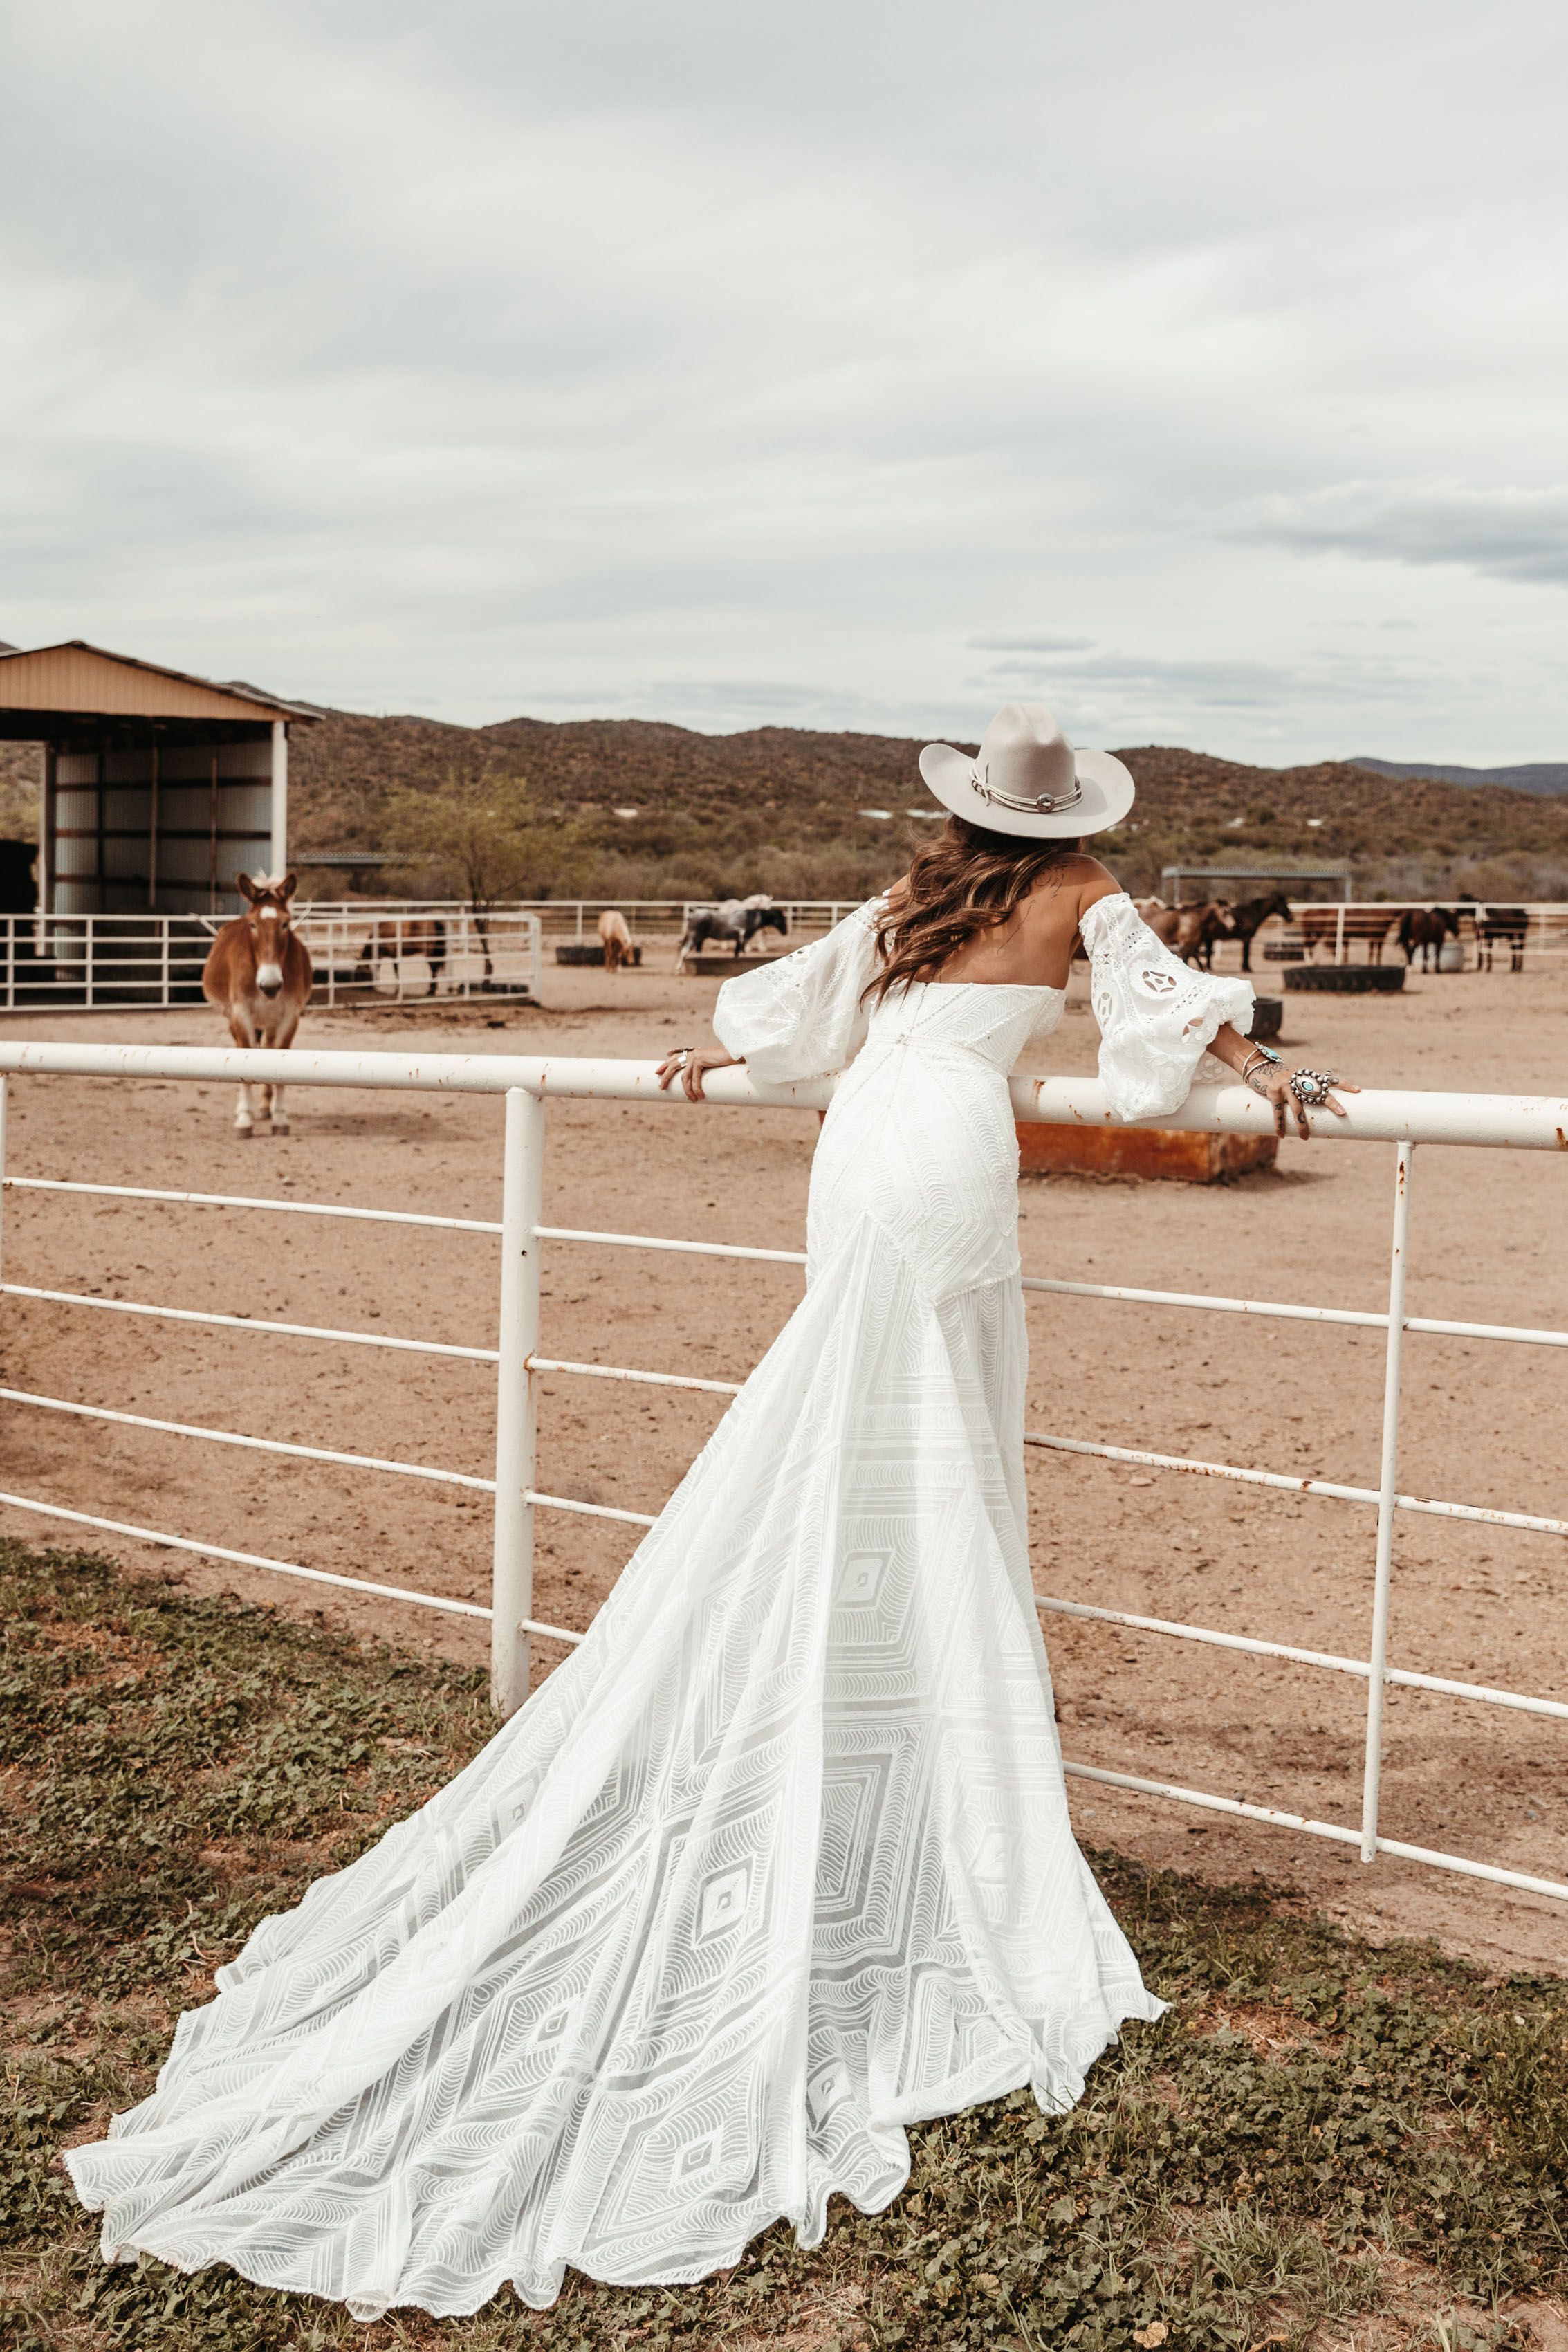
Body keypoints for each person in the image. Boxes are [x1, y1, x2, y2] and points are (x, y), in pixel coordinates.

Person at [64, 704, 1355, 2322]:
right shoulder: (1084, 884)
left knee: (851, 1435)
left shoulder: (920, 891)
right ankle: (924, 1765)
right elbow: (1169, 1011)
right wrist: (1267, 1062)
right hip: (945, 1155)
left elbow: (818, 1006)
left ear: (969, 806)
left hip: (860, 1142)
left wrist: (727, 1058)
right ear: (1072, 810)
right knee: (929, 1447)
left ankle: (864, 1737)